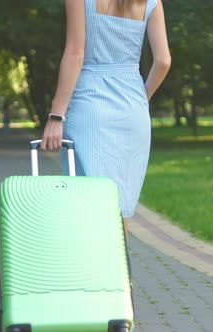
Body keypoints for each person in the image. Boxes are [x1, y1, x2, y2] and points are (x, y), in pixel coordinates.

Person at [41, 0, 171, 238]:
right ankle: (118, 273)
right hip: (133, 107)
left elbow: (75, 53)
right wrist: (143, 98)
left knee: (88, 199)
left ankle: (94, 271)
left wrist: (56, 116)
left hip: (89, 104)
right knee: (119, 205)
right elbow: (163, 61)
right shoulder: (151, 2)